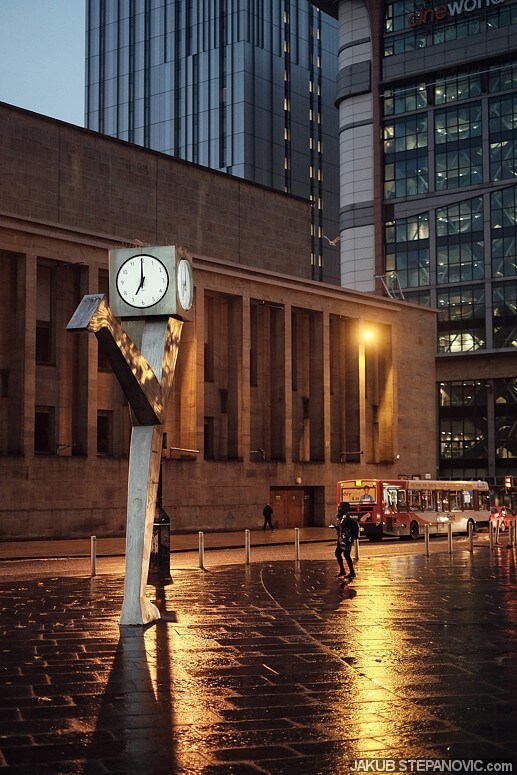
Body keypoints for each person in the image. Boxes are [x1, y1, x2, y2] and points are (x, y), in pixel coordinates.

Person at [333, 502, 358, 579]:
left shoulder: (345, 516)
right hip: (341, 538)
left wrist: (336, 526)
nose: (338, 508)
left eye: (340, 507)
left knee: (346, 554)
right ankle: (342, 570)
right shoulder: (341, 516)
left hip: (346, 538)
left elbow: (341, 525)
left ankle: (352, 572)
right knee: (337, 553)